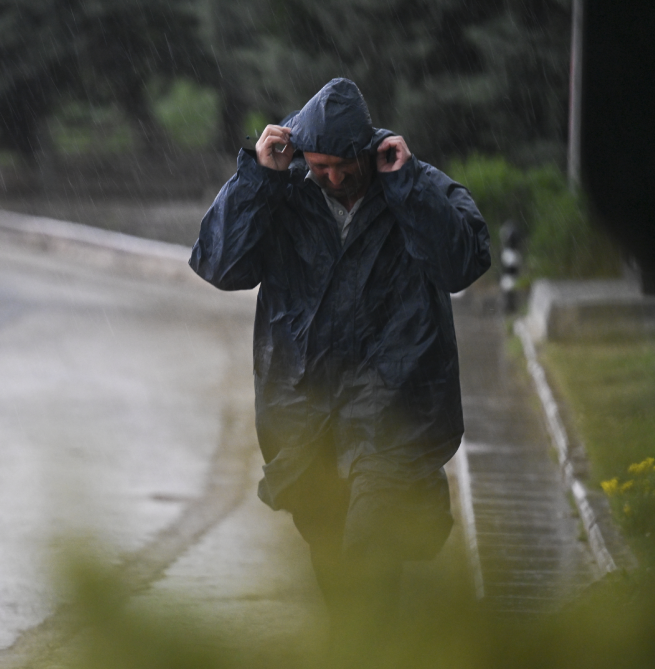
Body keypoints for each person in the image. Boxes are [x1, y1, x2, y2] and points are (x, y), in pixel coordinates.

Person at [189, 78, 490, 635]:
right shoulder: (285, 197)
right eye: (317, 165)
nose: (329, 177)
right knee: (327, 539)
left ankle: (365, 647)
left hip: (395, 397)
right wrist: (258, 177)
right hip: (306, 404)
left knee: (372, 532)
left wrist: (406, 190)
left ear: (365, 151)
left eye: (340, 166)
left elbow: (463, 262)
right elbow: (218, 264)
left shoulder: (416, 186)